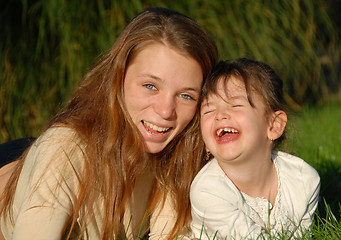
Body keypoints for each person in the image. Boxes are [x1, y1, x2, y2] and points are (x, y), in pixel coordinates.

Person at [0, 7, 218, 239]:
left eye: (186, 96)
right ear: (118, 78)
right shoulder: (64, 150)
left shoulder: (177, 154)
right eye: (150, 86)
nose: (165, 111)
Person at [190, 58, 320, 239]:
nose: (220, 115)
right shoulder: (207, 191)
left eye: (235, 105)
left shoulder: (303, 180)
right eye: (209, 110)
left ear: (274, 125)